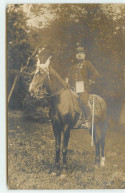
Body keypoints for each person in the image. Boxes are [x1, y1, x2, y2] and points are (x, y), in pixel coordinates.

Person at [67, 46, 100, 129]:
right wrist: (67, 80)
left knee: (83, 101)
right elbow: (69, 77)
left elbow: (95, 74)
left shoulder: (88, 64)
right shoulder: (73, 67)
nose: (79, 55)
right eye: (77, 53)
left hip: (84, 87)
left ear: (84, 55)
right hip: (73, 88)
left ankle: (87, 121)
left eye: (81, 53)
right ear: (75, 56)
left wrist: (90, 81)